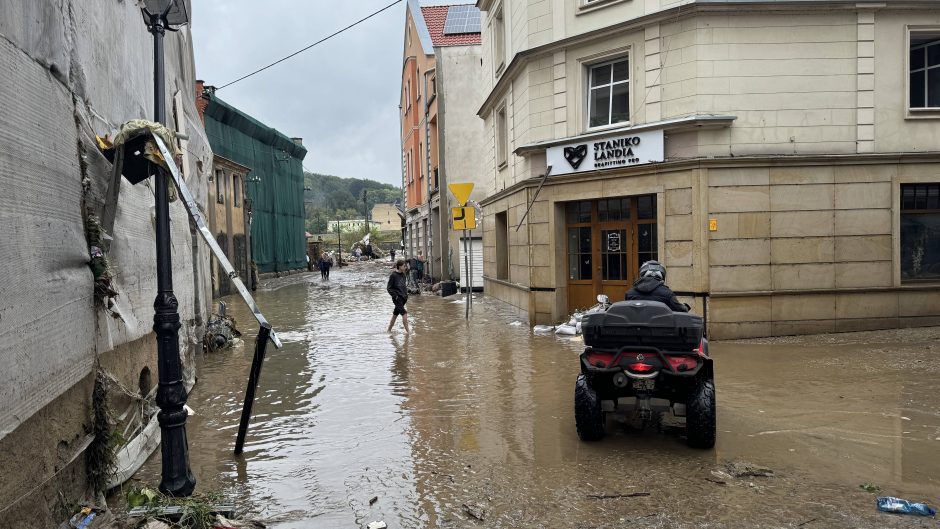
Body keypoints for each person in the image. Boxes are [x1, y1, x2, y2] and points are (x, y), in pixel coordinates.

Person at [387, 259, 411, 333]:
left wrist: (406, 295)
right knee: (404, 313)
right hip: (397, 299)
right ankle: (408, 333)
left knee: (395, 315)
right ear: (399, 266)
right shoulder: (393, 275)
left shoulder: (403, 275)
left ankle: (388, 331)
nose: (405, 267)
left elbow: (403, 286)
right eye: (404, 266)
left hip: (403, 298)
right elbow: (389, 288)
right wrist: (395, 296)